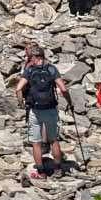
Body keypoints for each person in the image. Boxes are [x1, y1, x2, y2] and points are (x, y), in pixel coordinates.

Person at [14, 46, 69, 179]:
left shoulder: (29, 70)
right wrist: (70, 102)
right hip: (50, 109)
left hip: (35, 110)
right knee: (53, 140)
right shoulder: (51, 69)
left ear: (34, 57)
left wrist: (22, 103)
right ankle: (57, 169)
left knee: (36, 143)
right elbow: (63, 88)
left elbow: (18, 88)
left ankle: (41, 172)